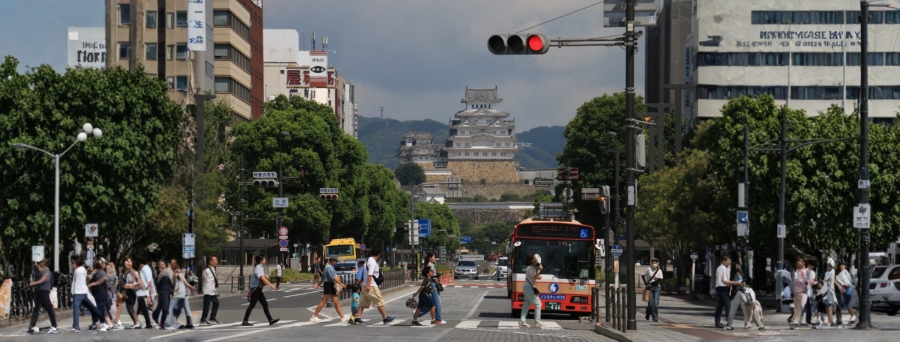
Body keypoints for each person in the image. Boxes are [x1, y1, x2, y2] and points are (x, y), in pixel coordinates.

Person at [355, 247, 395, 325]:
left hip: (364, 285)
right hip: (371, 285)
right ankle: (385, 318)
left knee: (363, 302)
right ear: (379, 254)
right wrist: (369, 285)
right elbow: (370, 274)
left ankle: (358, 318)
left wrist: (366, 285)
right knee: (379, 301)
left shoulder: (367, 260)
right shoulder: (372, 262)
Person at [241, 255, 280, 327]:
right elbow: (262, 278)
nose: (265, 260)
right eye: (264, 259)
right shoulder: (258, 268)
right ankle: (245, 321)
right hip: (256, 289)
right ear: (261, 260)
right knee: (252, 305)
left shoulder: (259, 267)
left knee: (265, 304)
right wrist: (271, 285)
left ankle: (270, 320)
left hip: (258, 289)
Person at [311, 255, 350, 323]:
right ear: (332, 261)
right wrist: (341, 284)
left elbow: (323, 278)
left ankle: (342, 317)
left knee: (336, 301)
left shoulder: (328, 267)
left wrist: (318, 285)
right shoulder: (329, 268)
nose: (336, 262)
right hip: (329, 285)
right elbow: (333, 278)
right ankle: (314, 316)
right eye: (336, 261)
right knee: (324, 301)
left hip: (329, 284)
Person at [70, 255, 104, 333]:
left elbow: (78, 283)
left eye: (72, 262)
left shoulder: (79, 270)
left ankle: (76, 326)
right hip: (83, 292)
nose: (72, 264)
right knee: (92, 307)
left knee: (77, 309)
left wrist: (73, 292)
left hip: (79, 293)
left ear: (77, 262)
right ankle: (102, 321)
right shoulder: (80, 270)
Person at [27, 259, 58, 334]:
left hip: (43, 292)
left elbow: (43, 280)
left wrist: (33, 283)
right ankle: (32, 326)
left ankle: (54, 326)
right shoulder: (40, 271)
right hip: (41, 291)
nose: (37, 266)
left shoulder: (46, 271)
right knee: (39, 309)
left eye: (38, 264)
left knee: (47, 308)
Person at [714, 255, 742, 330]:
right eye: (728, 260)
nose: (729, 262)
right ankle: (729, 323)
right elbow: (722, 281)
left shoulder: (725, 268)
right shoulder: (720, 269)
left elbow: (726, 280)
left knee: (720, 306)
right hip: (721, 288)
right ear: (723, 261)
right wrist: (736, 283)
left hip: (724, 288)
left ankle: (717, 322)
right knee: (728, 306)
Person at [418, 252, 444, 324]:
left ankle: (418, 313)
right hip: (432, 284)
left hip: (432, 284)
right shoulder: (430, 265)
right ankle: (438, 319)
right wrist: (436, 277)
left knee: (432, 303)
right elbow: (431, 275)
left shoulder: (431, 264)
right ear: (430, 258)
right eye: (434, 257)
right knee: (437, 302)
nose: (435, 258)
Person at [169, 259, 196, 329]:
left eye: (173, 263)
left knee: (174, 308)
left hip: (178, 293)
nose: (172, 264)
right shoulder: (173, 271)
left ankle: (174, 323)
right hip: (182, 293)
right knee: (185, 308)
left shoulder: (177, 271)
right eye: (171, 263)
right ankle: (189, 323)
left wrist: (189, 286)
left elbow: (182, 279)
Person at [520, 253, 545, 328]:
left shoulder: (530, 268)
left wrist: (538, 275)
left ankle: (523, 321)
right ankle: (537, 321)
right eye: (534, 258)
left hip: (527, 287)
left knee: (526, 305)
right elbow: (534, 277)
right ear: (531, 260)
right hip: (529, 288)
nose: (535, 259)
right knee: (538, 304)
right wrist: (539, 270)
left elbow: (534, 277)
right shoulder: (530, 268)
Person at [87, 260, 112, 331]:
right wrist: (90, 275)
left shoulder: (102, 272)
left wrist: (93, 284)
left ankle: (103, 323)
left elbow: (104, 279)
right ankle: (95, 322)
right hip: (95, 293)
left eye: (102, 263)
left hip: (102, 292)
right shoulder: (94, 272)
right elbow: (88, 280)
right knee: (94, 308)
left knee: (101, 308)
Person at [121, 257, 144, 328]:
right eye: (126, 261)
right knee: (128, 308)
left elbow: (140, 283)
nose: (128, 263)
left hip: (133, 291)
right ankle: (135, 322)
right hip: (126, 291)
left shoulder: (135, 272)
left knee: (130, 307)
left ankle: (137, 322)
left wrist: (132, 285)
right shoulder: (124, 272)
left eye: (129, 262)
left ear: (132, 263)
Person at [789, 257, 811, 329]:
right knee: (799, 306)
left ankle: (796, 322)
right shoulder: (796, 271)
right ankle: (801, 321)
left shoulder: (806, 271)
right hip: (797, 291)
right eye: (798, 261)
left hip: (803, 291)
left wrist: (806, 285)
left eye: (800, 261)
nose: (798, 263)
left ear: (804, 263)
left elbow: (808, 281)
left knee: (801, 306)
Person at [200, 256, 221, 325]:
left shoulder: (213, 270)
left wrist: (216, 291)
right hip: (208, 291)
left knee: (216, 303)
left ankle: (212, 318)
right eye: (215, 260)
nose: (217, 262)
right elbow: (204, 279)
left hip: (212, 291)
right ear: (211, 262)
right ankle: (203, 320)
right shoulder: (207, 270)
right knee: (206, 306)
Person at [153, 259, 173, 329]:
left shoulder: (165, 271)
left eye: (162, 264)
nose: (161, 265)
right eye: (160, 264)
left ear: (165, 265)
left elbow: (171, 280)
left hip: (165, 291)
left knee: (162, 307)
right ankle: (161, 322)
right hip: (163, 291)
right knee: (163, 307)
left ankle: (159, 321)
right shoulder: (162, 272)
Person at [135, 259, 155, 329]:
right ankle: (146, 323)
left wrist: (148, 296)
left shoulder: (145, 269)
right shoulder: (144, 269)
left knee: (143, 308)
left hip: (143, 291)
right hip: (142, 291)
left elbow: (148, 283)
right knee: (141, 308)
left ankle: (145, 323)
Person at [642, 258, 663, 322]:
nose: (654, 264)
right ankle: (648, 313)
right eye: (653, 262)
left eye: (655, 263)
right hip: (649, 288)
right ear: (651, 263)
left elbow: (660, 279)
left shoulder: (659, 270)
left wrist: (652, 283)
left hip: (656, 287)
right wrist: (646, 283)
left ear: (657, 263)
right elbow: (643, 275)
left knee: (656, 304)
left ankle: (655, 317)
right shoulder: (648, 269)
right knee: (650, 303)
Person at [726, 264, 746, 328]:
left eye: (739, 266)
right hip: (736, 293)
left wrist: (743, 285)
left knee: (746, 308)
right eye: (737, 266)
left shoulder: (742, 274)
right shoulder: (733, 274)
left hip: (742, 292)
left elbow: (744, 282)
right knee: (733, 309)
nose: (739, 267)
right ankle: (729, 323)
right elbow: (731, 284)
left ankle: (747, 323)